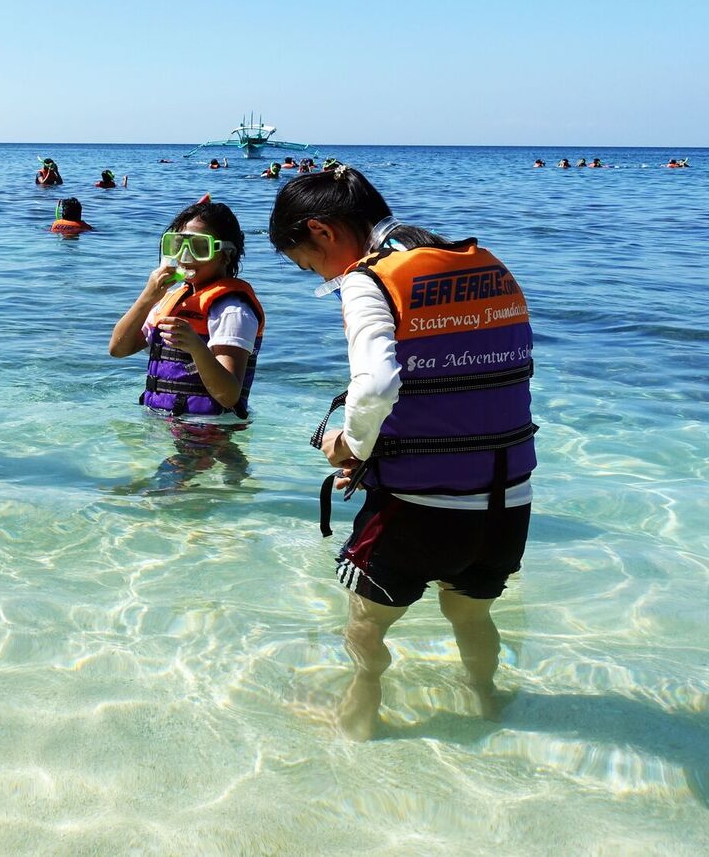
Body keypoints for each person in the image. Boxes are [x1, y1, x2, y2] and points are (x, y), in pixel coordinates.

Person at [267, 165, 536, 740]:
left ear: (322, 231)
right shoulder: (489, 268)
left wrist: (351, 446)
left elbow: (379, 385)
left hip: (420, 509)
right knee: (471, 613)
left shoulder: (371, 279)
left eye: (309, 267)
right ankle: (488, 700)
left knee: (366, 628)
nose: (322, 278)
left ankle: (360, 712)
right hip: (506, 500)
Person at [109, 194, 264, 419]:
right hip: (164, 426)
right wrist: (147, 297)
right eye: (178, 245)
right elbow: (118, 349)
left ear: (227, 254)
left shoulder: (232, 310)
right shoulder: (169, 300)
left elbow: (229, 396)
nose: (185, 256)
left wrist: (196, 347)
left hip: (209, 434)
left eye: (200, 247)